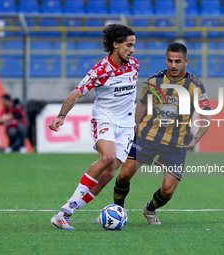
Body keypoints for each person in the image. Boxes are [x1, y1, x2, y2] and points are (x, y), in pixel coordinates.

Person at [76, 42, 211, 225]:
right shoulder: (155, 80)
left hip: (175, 143)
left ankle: (150, 210)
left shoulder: (195, 85)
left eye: (177, 61)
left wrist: (196, 138)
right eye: (170, 60)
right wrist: (132, 128)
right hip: (147, 136)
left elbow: (206, 115)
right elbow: (141, 106)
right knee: (124, 174)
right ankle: (118, 210)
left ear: (186, 61)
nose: (173, 65)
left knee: (168, 189)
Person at [48, 23, 138, 230]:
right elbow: (77, 92)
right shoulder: (101, 69)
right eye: (129, 45)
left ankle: (73, 212)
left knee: (109, 172)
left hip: (126, 125)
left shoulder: (134, 65)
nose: (132, 50)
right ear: (116, 45)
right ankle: (63, 212)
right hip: (105, 118)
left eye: (133, 45)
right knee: (106, 157)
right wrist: (62, 116)